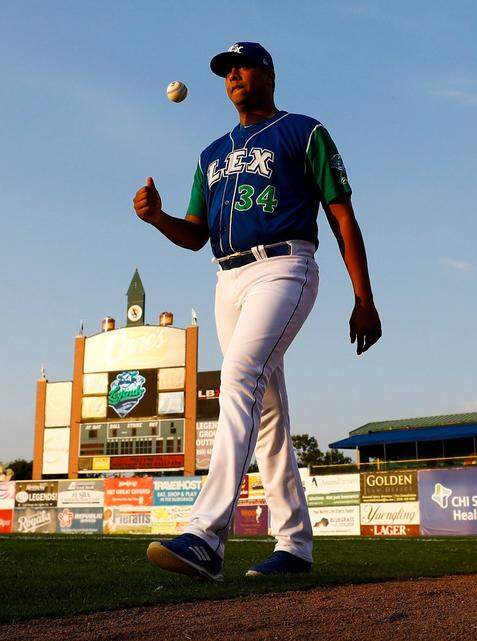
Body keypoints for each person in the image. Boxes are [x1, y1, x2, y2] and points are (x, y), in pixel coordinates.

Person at [136, 42, 382, 580]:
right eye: (226, 71)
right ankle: (294, 545)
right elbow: (195, 235)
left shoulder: (304, 131)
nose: (234, 76)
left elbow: (343, 217)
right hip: (227, 277)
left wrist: (363, 298)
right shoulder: (210, 153)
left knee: (240, 376)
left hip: (285, 267)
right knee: (266, 407)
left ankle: (206, 534)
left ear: (270, 74)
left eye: (243, 66)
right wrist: (159, 218)